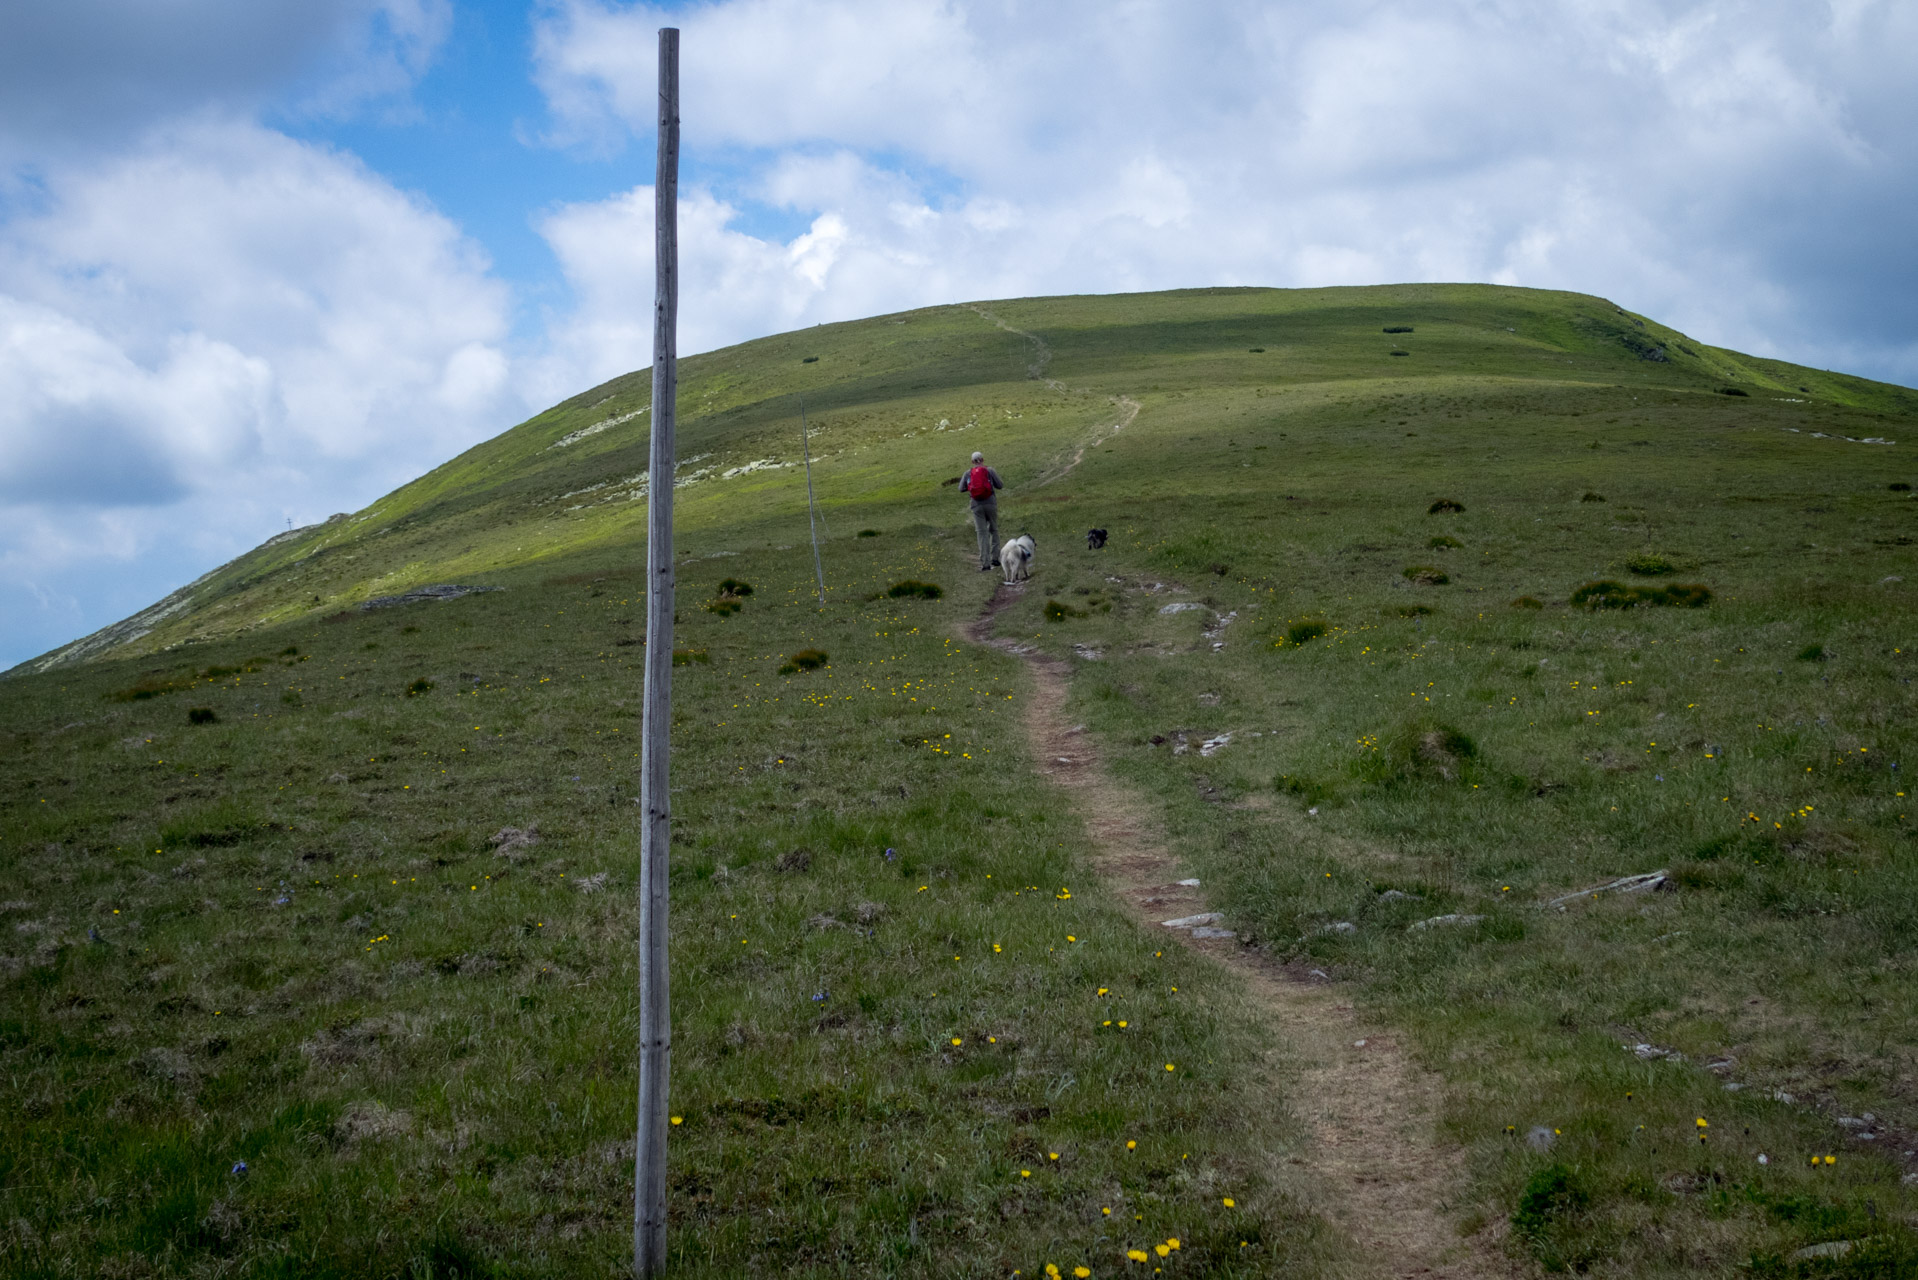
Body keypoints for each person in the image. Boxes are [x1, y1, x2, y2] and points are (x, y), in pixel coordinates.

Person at [955, 451, 1004, 571]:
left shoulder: (968, 473)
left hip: (976, 505)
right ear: (982, 459)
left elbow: (961, 488)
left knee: (982, 533)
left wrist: (972, 488)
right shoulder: (989, 470)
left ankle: (985, 563)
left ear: (972, 462)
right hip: (990, 503)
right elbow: (1000, 485)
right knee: (994, 529)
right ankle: (995, 558)